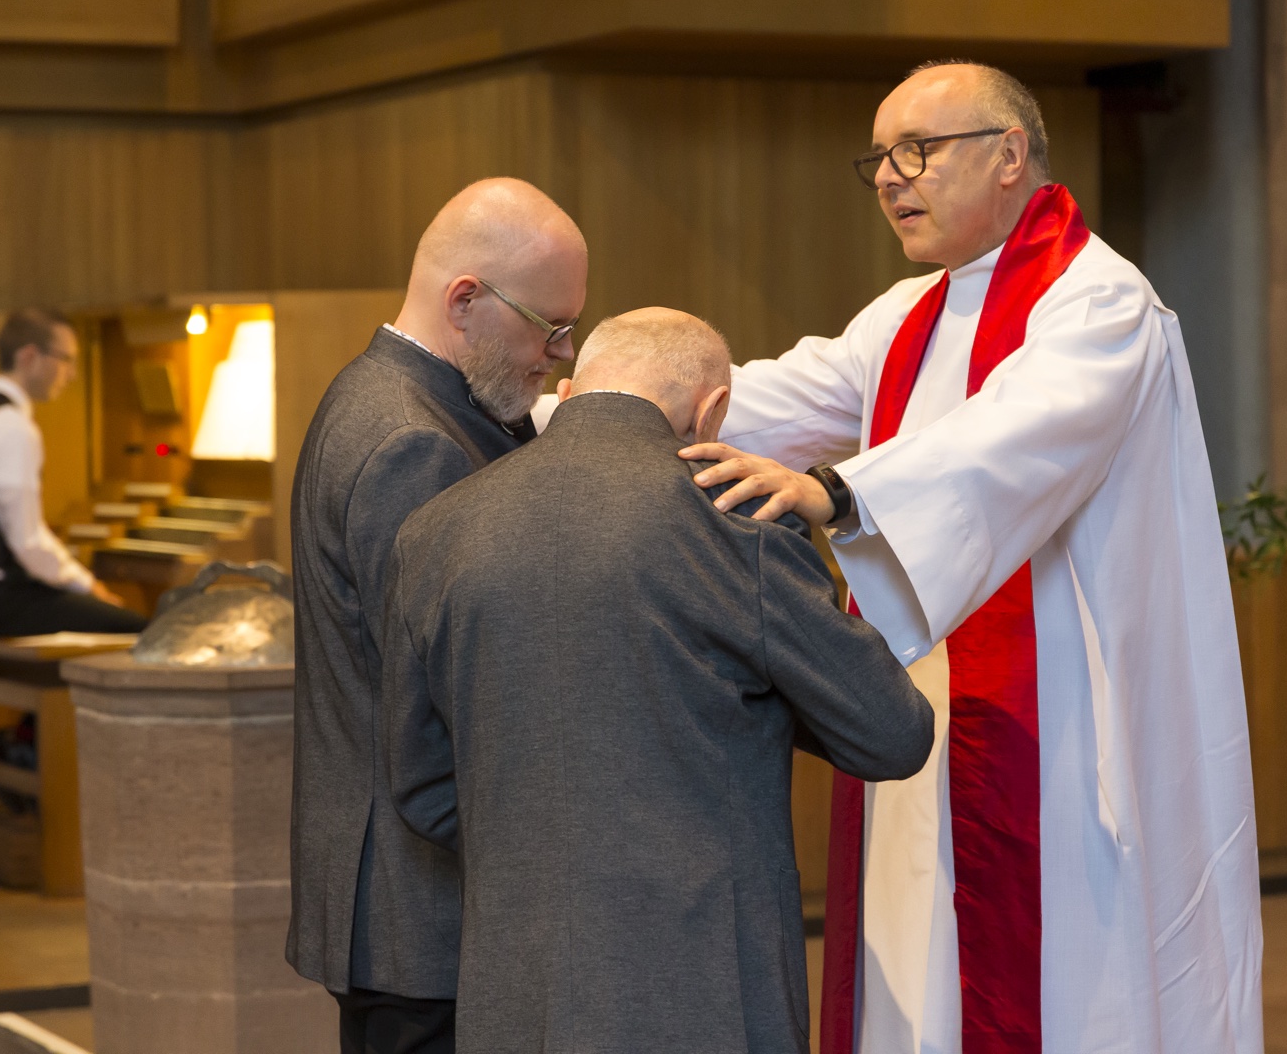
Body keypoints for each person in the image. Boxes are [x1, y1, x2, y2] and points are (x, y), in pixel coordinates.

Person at [685, 61, 1264, 1054]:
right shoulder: (906, 314)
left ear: (1009, 154)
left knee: (1066, 981)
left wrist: (843, 491)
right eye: (879, 157)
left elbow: (1019, 436)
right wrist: (582, 413)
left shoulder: (1099, 302)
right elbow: (766, 398)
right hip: (925, 716)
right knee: (921, 959)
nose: (889, 177)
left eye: (917, 150)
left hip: (1066, 729)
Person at [382, 308, 933, 1054]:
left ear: (570, 391)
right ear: (713, 412)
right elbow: (891, 734)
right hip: (707, 985)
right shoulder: (738, 523)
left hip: (516, 985)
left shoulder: (435, 530)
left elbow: (421, 785)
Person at [286, 178, 589, 1054]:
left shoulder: (396, 395)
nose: (562, 353)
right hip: (422, 911)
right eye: (550, 326)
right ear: (465, 301)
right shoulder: (415, 444)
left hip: (410, 904)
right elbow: (436, 710)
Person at [0, 308, 145, 638]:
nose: (71, 374)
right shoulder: (11, 426)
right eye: (66, 359)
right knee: (139, 631)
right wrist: (88, 585)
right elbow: (28, 542)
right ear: (29, 357)